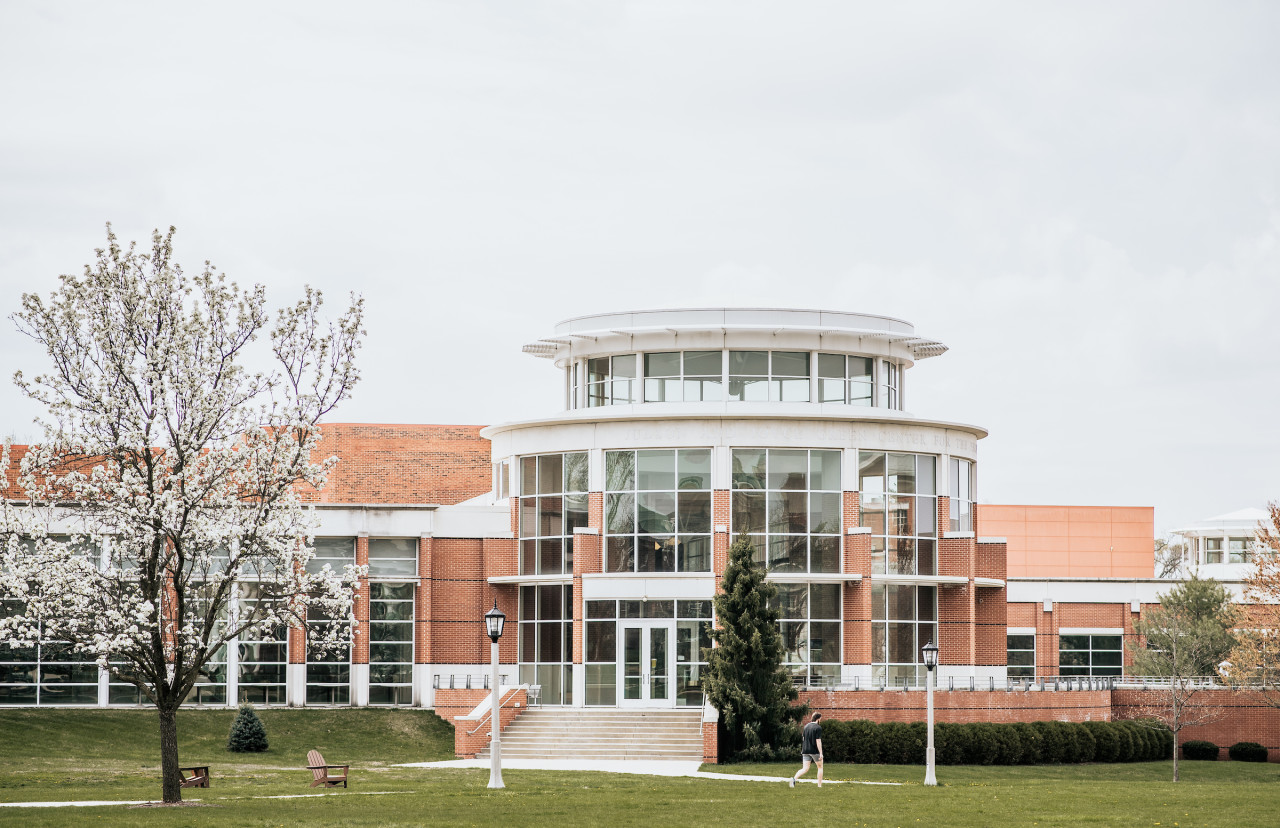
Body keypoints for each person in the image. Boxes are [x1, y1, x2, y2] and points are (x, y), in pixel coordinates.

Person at [790, 712, 823, 788]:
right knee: (820, 767)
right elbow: (818, 740)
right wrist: (821, 753)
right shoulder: (818, 728)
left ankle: (794, 779)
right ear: (818, 719)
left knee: (805, 768)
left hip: (805, 750)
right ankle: (819, 785)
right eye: (820, 719)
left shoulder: (806, 726)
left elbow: (803, 738)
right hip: (814, 750)